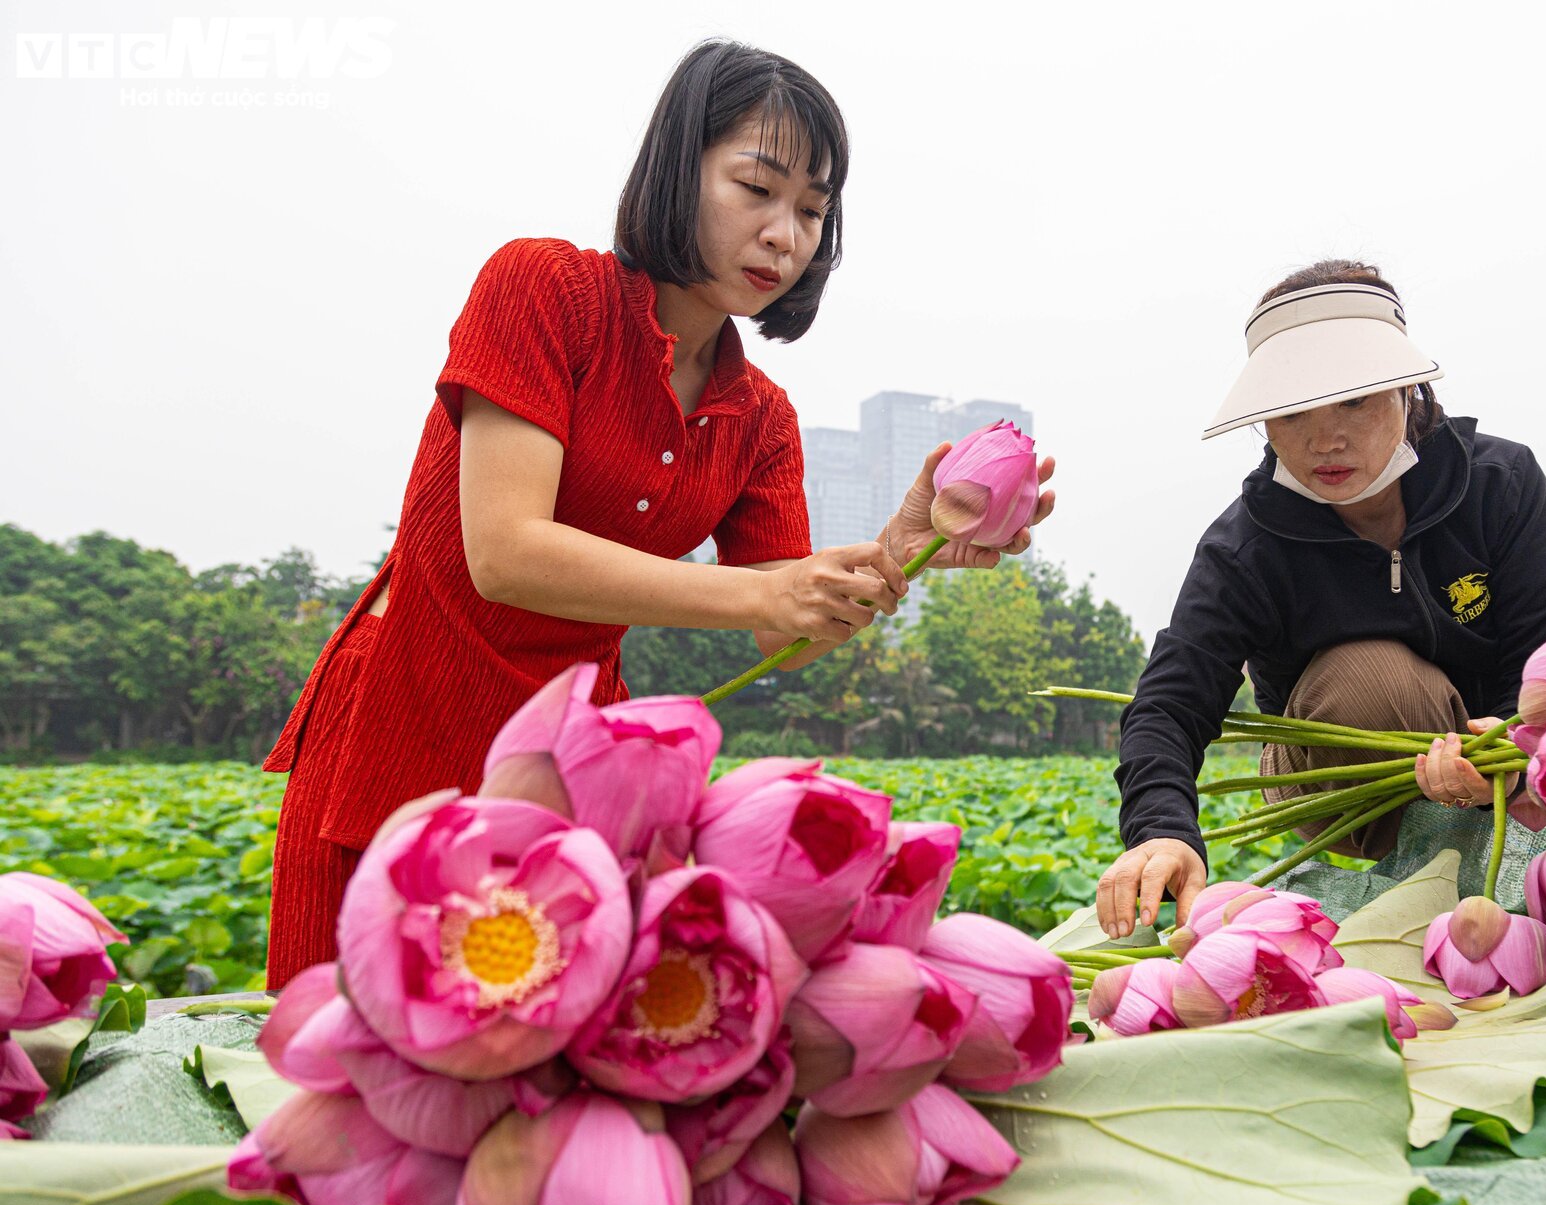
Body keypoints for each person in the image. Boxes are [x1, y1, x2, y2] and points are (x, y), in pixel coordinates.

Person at [262, 40, 1054, 988]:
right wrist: (766, 599)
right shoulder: (544, 289)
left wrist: (892, 556)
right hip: (403, 733)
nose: (785, 234)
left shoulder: (761, 416)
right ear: (680, 168)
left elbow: (784, 635)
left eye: (812, 210)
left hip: (576, 772)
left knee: (538, 1088)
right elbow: (505, 552)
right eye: (757, 187)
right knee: (337, 1073)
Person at [1094, 260, 1546, 939]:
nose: (1325, 436)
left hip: (1501, 752)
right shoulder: (1245, 547)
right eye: (1292, 412)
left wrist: (1503, 753)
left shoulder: (1502, 484)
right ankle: (1475, 896)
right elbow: (1171, 702)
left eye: (1355, 399)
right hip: (1347, 771)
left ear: (1408, 393)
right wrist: (1161, 831)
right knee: (1369, 677)